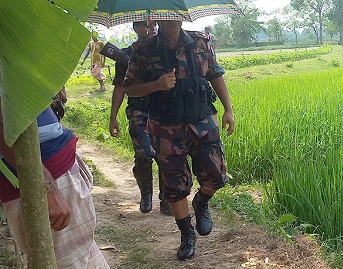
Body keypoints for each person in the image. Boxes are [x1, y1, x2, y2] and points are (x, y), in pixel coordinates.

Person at [123, 20, 235, 261]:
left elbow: (215, 75)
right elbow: (130, 89)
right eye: (167, 14)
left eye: (176, 13)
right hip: (166, 126)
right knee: (175, 186)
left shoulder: (200, 42)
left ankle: (202, 202)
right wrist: (156, 85)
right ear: (158, 18)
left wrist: (229, 110)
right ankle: (187, 234)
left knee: (216, 175)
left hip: (203, 122)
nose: (172, 18)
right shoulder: (143, 49)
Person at [0, 102, 109, 268]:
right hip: (42, 174)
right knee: (66, 262)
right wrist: (47, 189)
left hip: (53, 169)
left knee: (80, 255)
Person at [109, 21, 171, 215]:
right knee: (145, 153)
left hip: (163, 110)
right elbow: (120, 87)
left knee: (165, 155)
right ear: (135, 29)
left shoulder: (166, 52)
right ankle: (145, 192)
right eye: (145, 25)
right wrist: (113, 117)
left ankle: (166, 199)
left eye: (154, 25)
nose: (151, 29)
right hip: (139, 110)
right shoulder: (127, 55)